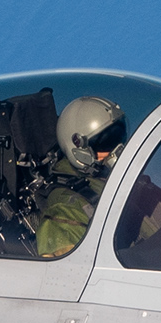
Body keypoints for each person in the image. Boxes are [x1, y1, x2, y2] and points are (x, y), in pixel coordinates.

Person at [35, 97, 126, 258]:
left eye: (120, 137)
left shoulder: (123, 184)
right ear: (80, 151)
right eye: (107, 142)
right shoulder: (64, 211)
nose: (118, 149)